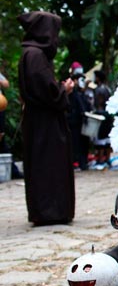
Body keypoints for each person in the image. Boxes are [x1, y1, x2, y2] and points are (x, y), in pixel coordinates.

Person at [17, 11, 75, 225]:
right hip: (45, 123)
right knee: (48, 165)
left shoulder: (30, 54)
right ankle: (50, 211)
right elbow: (45, 92)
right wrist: (63, 90)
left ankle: (48, 210)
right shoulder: (35, 56)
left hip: (40, 121)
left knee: (44, 164)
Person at [66, 62, 92, 171]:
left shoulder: (82, 94)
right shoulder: (70, 90)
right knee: (74, 142)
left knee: (83, 142)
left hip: (82, 120)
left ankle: (83, 162)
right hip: (74, 120)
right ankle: (74, 162)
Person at [91, 69, 114, 169]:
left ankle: (100, 159)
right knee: (107, 139)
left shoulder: (99, 89)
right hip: (108, 114)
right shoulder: (107, 88)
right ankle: (107, 159)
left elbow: (99, 103)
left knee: (101, 138)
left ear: (98, 78)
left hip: (101, 114)